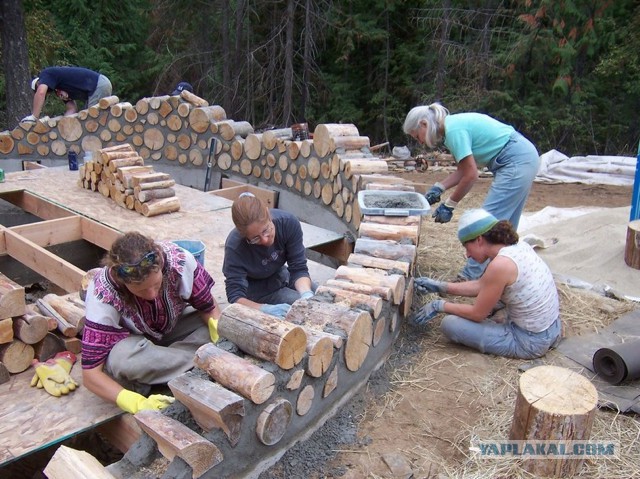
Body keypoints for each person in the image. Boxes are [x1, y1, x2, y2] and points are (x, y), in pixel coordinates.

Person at [81, 232, 221, 414]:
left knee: (223, 318)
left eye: (156, 284)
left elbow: (209, 308)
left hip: (175, 325)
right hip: (136, 344)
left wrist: (218, 333)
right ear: (123, 282)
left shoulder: (179, 261)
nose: (152, 295)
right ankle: (203, 362)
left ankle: (163, 372)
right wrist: (135, 403)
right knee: (122, 362)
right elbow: (90, 374)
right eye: (141, 290)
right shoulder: (103, 292)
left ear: (161, 265)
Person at [403, 102, 540, 280]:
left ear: (424, 124)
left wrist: (449, 204)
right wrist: (440, 187)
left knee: (487, 225)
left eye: (416, 136)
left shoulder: (453, 131)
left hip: (516, 161)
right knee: (507, 227)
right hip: (524, 156)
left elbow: (471, 175)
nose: (419, 141)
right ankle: (508, 274)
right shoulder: (451, 127)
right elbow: (463, 169)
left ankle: (468, 277)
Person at [413, 209, 561, 360]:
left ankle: (503, 326)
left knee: (450, 325)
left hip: (529, 342)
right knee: (495, 300)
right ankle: (502, 318)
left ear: (479, 240)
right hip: (552, 329)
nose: (468, 255)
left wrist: (439, 305)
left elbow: (477, 314)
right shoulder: (517, 247)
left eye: (466, 247)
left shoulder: (501, 265)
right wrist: (440, 286)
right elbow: (482, 285)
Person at [223, 192, 315, 319]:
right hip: (258, 291)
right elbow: (235, 296)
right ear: (244, 236)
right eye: (255, 239)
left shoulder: (287, 223)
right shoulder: (235, 247)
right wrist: (263, 309)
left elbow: (298, 268)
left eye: (266, 230)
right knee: (299, 310)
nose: (265, 240)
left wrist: (306, 293)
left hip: (281, 275)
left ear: (268, 214)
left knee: (319, 297)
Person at [22, 66, 113, 122]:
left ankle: (95, 151)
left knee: (91, 122)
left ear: (39, 83)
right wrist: (64, 124)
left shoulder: (46, 74)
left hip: (98, 85)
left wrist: (34, 116)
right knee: (88, 119)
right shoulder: (59, 88)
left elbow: (41, 92)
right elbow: (72, 109)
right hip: (98, 86)